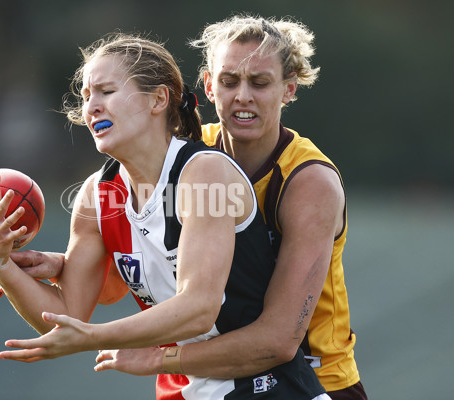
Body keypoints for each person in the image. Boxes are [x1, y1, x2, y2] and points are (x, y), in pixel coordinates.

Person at [0, 33, 328, 399]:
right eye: (86, 96)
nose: (92, 106)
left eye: (106, 92)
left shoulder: (204, 172)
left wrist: (93, 337)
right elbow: (65, 316)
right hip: (189, 389)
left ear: (158, 99)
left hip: (270, 390)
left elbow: (199, 308)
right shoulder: (96, 197)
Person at [92, 15, 368, 400]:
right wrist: (66, 265)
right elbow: (139, 270)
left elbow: (277, 341)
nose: (243, 96)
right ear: (208, 85)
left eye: (260, 82)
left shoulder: (308, 182)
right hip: (210, 379)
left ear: (289, 89)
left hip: (312, 382)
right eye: (228, 81)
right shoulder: (189, 156)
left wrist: (158, 358)